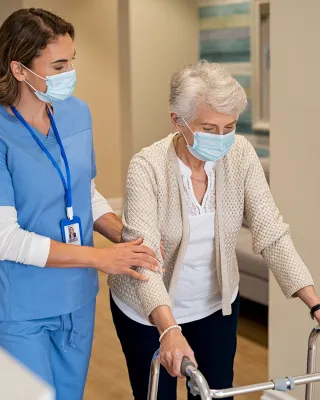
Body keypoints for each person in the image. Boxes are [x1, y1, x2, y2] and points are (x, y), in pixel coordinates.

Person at [0, 8, 160, 400]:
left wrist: (127, 238)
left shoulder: (76, 112)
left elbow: (84, 191)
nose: (70, 72)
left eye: (72, 61)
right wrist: (102, 258)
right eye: (59, 64)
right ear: (19, 69)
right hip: (22, 307)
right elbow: (6, 240)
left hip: (76, 300)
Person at [108, 61, 320, 400]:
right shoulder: (146, 167)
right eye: (209, 128)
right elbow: (142, 261)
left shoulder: (240, 155)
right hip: (148, 312)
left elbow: (271, 231)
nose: (222, 139)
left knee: (216, 393)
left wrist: (314, 303)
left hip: (214, 305)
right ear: (177, 120)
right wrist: (170, 329)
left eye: (230, 126)